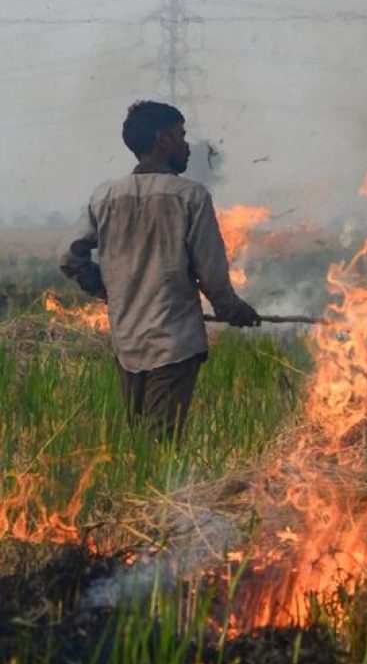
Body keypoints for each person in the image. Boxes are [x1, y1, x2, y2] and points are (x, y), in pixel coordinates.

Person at [59, 100, 260, 441]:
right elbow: (211, 274)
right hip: (173, 344)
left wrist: (103, 287)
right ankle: (151, 496)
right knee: (160, 446)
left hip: (128, 342)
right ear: (162, 140)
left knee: (140, 440)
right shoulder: (190, 197)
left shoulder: (105, 197)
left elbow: (69, 256)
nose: (187, 147)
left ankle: (136, 493)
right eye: (181, 136)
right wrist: (234, 310)